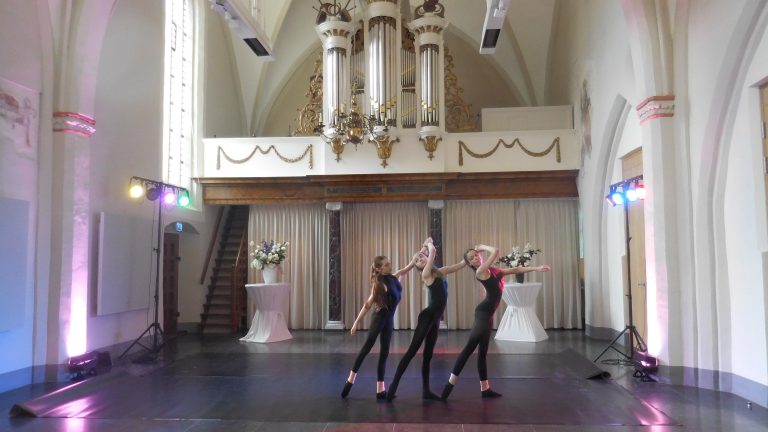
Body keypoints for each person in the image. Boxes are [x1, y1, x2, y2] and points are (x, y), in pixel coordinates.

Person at [441, 244, 551, 400]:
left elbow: (514, 270)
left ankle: (485, 389)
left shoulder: (493, 270)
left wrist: (536, 268)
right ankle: (450, 384)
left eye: (475, 255)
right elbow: (496, 251)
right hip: (482, 313)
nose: (475, 258)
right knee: (469, 347)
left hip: (489, 315)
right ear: (470, 264)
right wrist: (481, 247)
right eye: (471, 258)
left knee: (482, 352)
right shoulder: (480, 272)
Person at [386, 237, 466, 401]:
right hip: (427, 317)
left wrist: (470, 258)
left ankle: (426, 391)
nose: (420, 259)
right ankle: (391, 389)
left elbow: (458, 266)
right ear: (418, 267)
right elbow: (433, 252)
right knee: (411, 353)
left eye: (421, 257)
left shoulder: (440, 272)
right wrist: (429, 243)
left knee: (428, 355)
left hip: (435, 319)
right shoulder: (426, 273)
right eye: (417, 260)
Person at [341, 254, 416, 399]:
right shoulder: (379, 284)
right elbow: (368, 305)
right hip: (379, 319)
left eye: (389, 263)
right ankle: (350, 380)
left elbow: (405, 269)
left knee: (384, 353)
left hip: (388, 320)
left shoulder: (393, 277)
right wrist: (356, 323)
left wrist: (418, 256)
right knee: (366, 349)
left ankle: (380, 390)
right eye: (386, 264)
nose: (390, 265)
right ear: (379, 269)